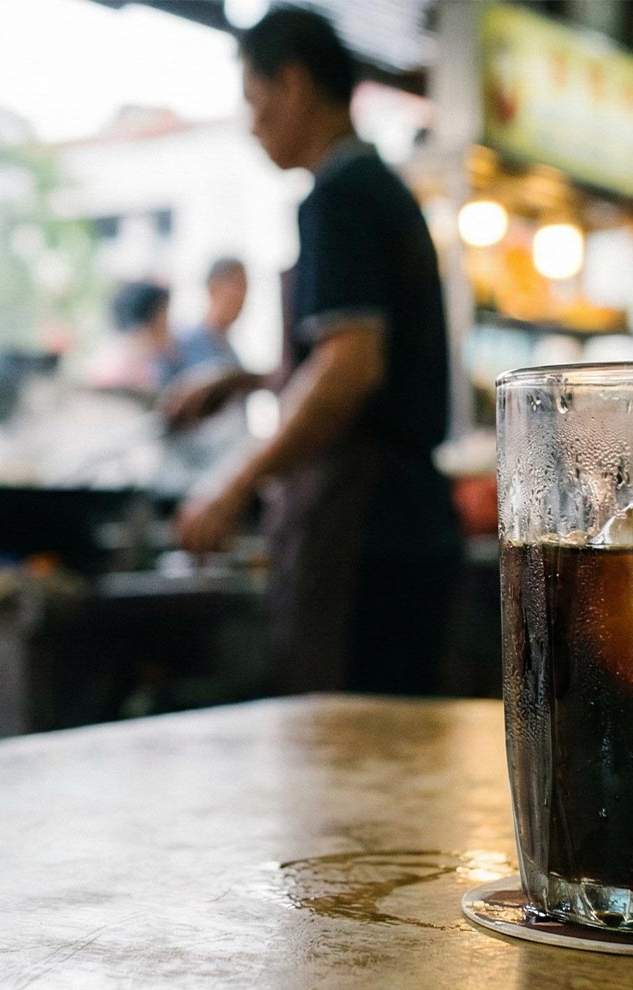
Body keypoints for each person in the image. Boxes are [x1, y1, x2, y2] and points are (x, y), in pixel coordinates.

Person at [175, 7, 461, 695]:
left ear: (294, 85)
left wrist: (233, 483)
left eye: (254, 99)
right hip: (406, 528)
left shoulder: (338, 196)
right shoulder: (375, 189)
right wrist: (242, 382)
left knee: (350, 756)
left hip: (368, 531)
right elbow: (340, 357)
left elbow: (350, 367)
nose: (251, 124)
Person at [169, 257, 249, 386]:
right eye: (238, 286)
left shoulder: (233, 356)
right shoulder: (181, 344)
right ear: (214, 288)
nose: (242, 297)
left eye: (245, 289)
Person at [91, 281, 179, 394]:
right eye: (164, 315)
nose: (168, 325)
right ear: (151, 318)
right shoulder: (131, 363)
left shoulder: (153, 356)